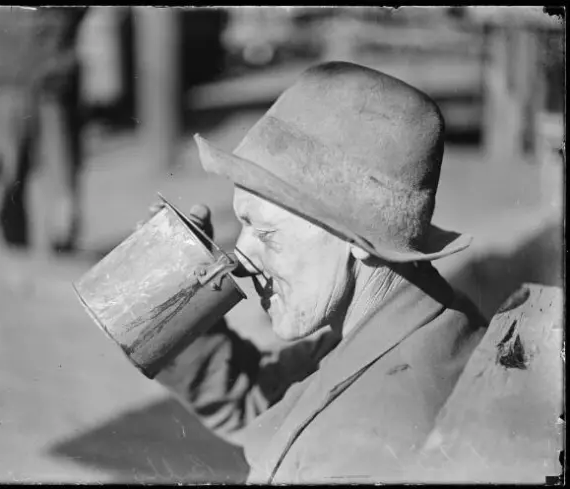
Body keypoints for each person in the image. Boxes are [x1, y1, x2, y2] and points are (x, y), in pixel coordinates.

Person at [150, 61, 487, 484]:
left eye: (266, 233)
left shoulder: (355, 453)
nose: (240, 257)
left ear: (356, 240)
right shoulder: (412, 319)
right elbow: (259, 400)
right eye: (243, 224)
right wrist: (173, 290)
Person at [0, 6, 87, 251]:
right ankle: (13, 240)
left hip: (52, 80)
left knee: (60, 163)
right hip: (8, 78)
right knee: (9, 168)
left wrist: (61, 37)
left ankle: (63, 239)